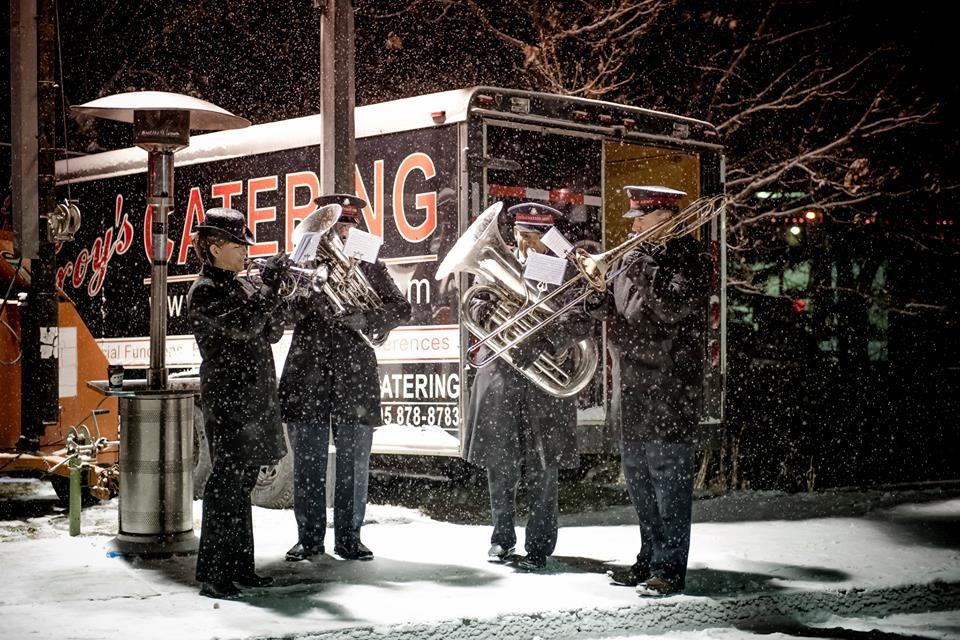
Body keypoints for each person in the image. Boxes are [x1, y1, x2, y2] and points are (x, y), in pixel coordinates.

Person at [584, 185, 711, 597]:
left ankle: (671, 568)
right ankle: (648, 557)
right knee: (639, 482)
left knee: (669, 485)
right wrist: (595, 298)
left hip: (670, 390)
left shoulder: (689, 259)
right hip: (633, 389)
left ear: (664, 218)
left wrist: (638, 267)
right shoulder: (631, 260)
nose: (633, 225)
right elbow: (617, 310)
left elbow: (672, 306)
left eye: (640, 218)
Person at [280, 193, 411, 562]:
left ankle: (350, 537)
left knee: (354, 463)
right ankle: (308, 538)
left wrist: (368, 320)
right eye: (336, 224)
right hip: (310, 373)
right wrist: (297, 278)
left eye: (349, 224)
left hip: (354, 374)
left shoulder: (368, 262)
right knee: (309, 462)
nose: (342, 231)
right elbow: (285, 311)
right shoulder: (303, 262)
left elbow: (402, 308)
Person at [463, 202, 594, 572]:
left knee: (543, 465)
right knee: (500, 465)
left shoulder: (567, 270)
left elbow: (579, 320)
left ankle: (539, 544)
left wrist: (543, 339)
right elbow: (475, 308)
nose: (528, 244)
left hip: (543, 380)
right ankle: (501, 538)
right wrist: (493, 318)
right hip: (501, 378)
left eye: (536, 237)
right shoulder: (494, 266)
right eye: (523, 236)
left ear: (549, 235)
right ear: (514, 234)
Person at [187, 207, 290, 599]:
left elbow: (272, 330)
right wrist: (266, 290)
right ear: (213, 248)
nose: (246, 252)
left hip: (253, 396)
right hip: (229, 400)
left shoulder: (239, 286)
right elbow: (246, 326)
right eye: (238, 245)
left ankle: (240, 568)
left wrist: (275, 291)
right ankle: (214, 574)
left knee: (242, 485)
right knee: (225, 487)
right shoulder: (205, 291)